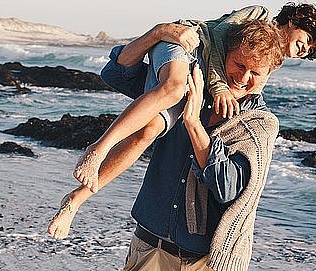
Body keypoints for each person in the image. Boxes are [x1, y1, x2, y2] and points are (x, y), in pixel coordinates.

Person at [50, 19, 286, 270]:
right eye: (239, 64)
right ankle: (81, 188)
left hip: (203, 261)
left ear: (269, 74)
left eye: (256, 72)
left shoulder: (258, 124)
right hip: (149, 246)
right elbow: (117, 73)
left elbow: (227, 188)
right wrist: (158, 32)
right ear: (224, 54)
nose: (243, 77)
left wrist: (194, 125)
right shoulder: (188, 86)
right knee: (146, 128)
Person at [71, 2, 316, 192]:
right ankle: (97, 149)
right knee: (174, 87)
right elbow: (215, 40)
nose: (304, 50)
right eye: (306, 39)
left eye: (309, 51)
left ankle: (76, 200)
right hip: (187, 43)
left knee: (150, 128)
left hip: (195, 69)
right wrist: (219, 87)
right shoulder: (258, 14)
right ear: (293, 22)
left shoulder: (266, 62)